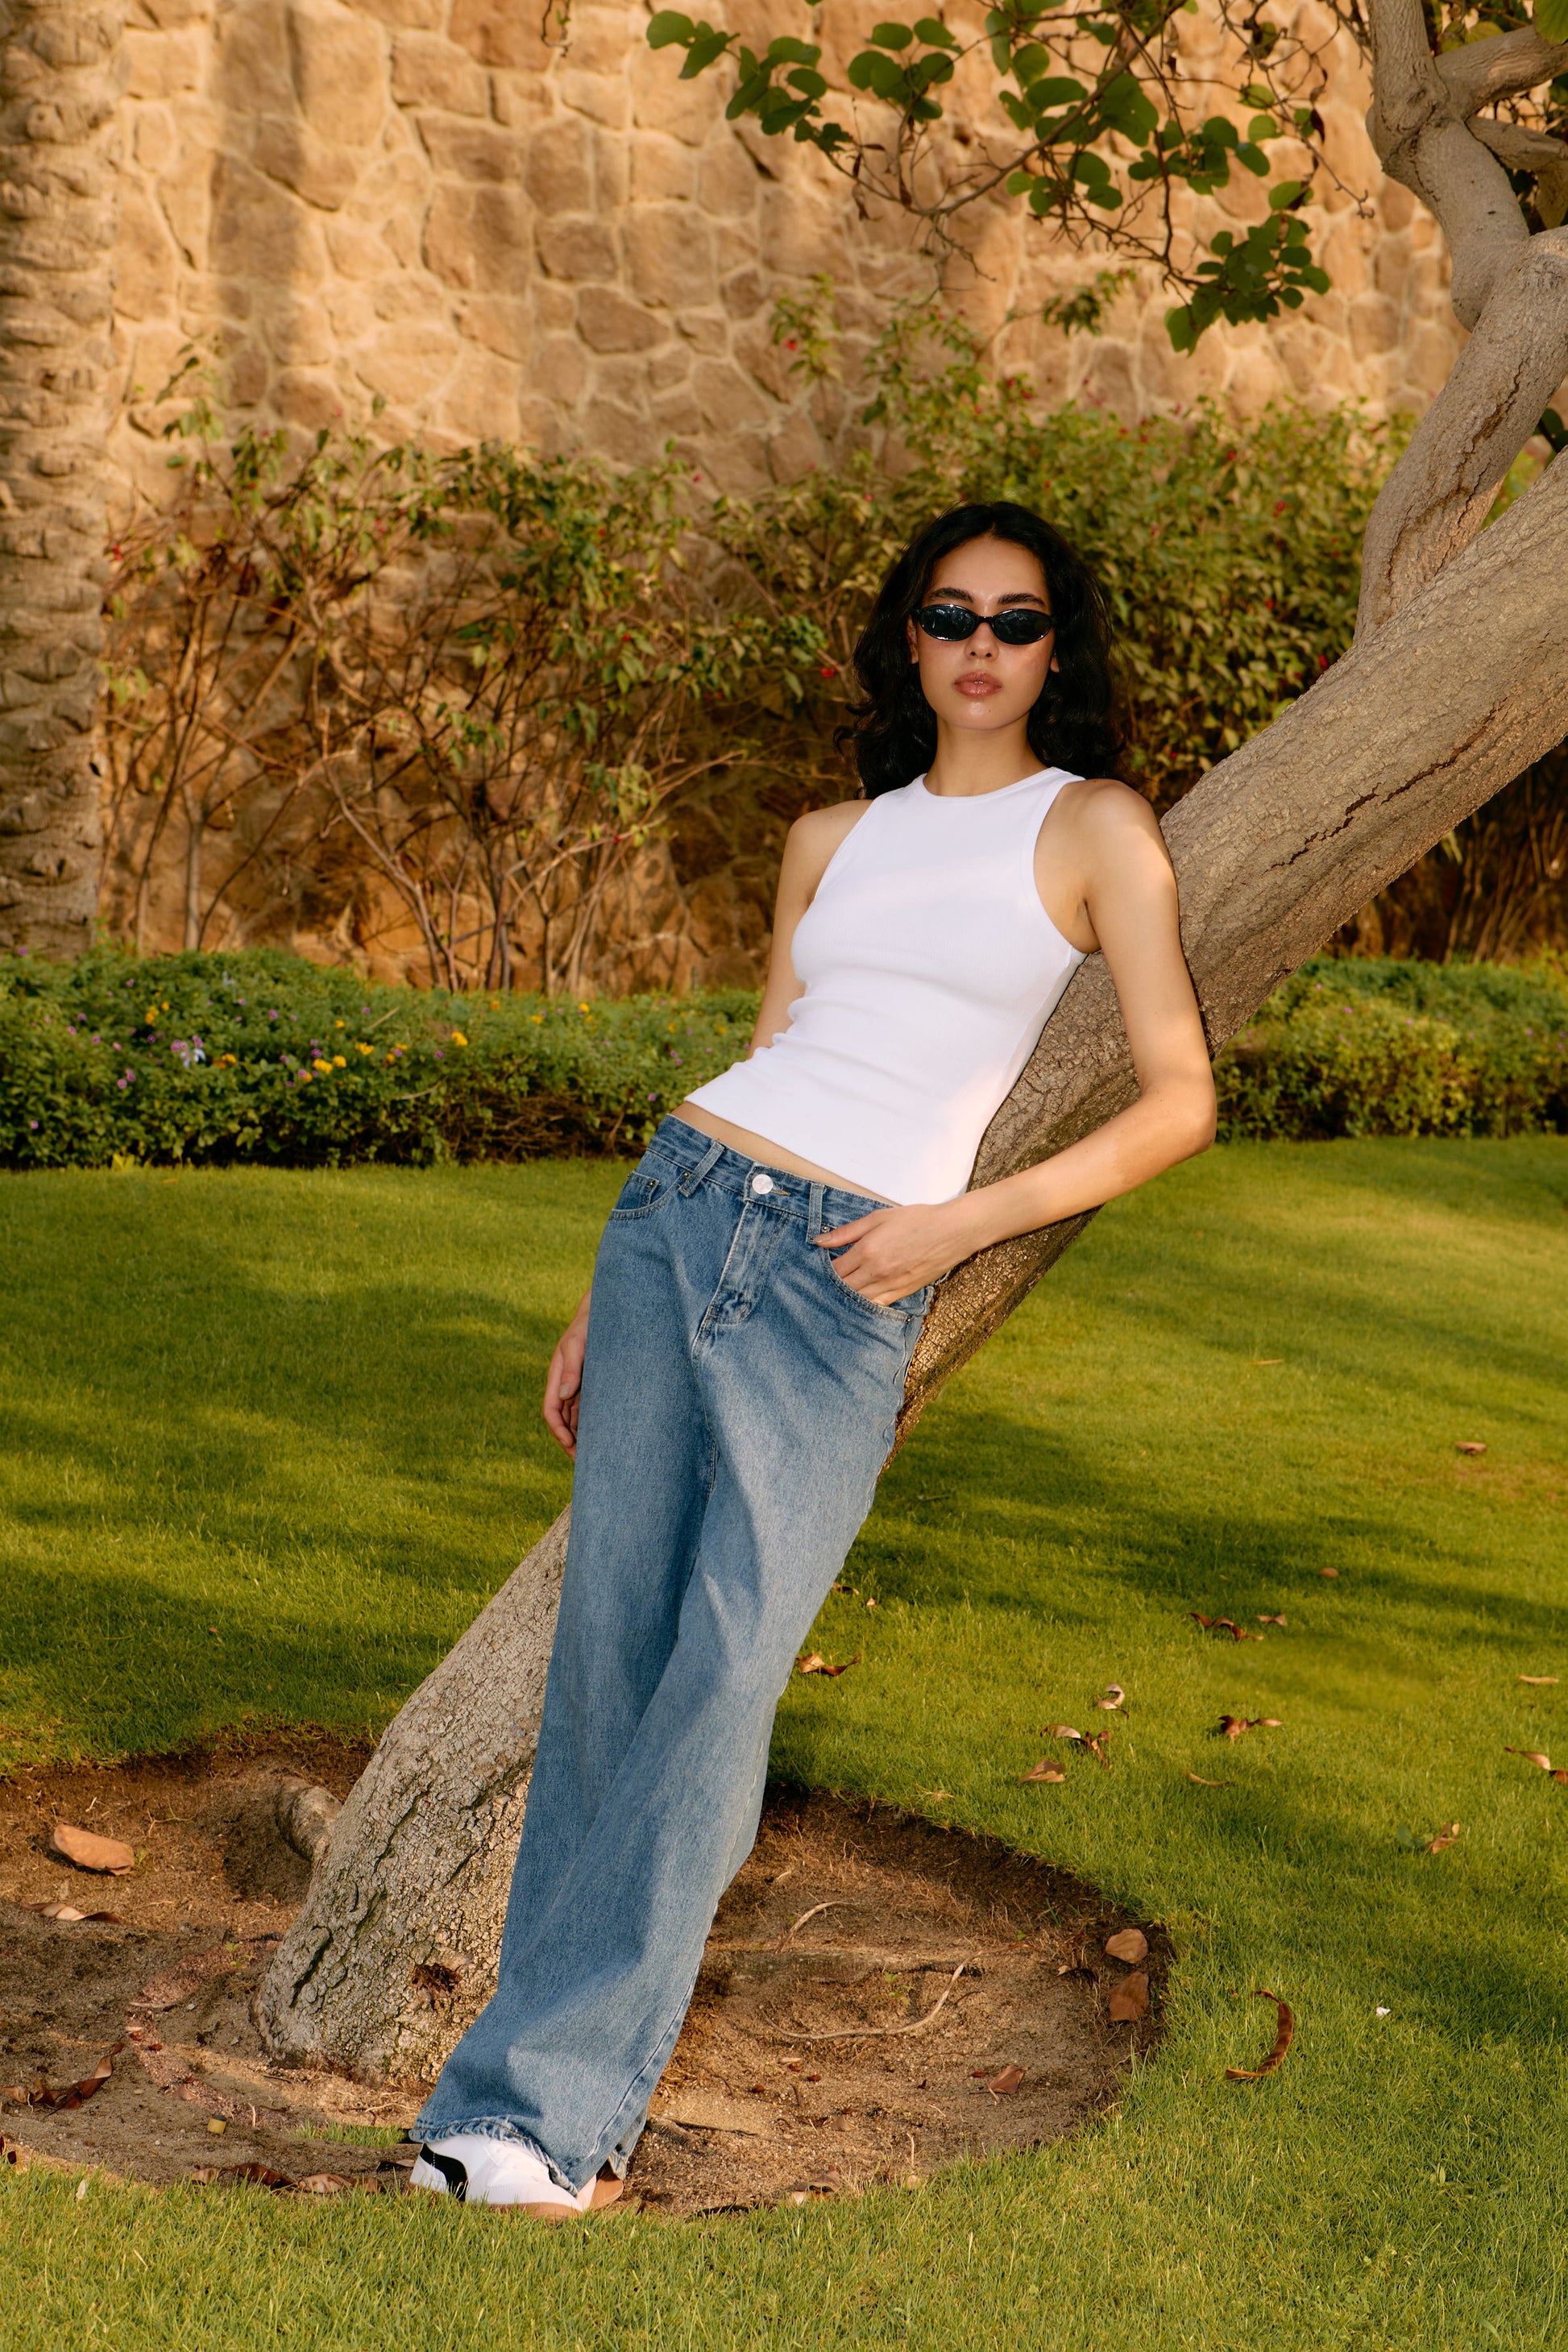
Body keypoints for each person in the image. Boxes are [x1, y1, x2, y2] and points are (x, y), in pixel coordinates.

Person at [410, 500, 1216, 2213]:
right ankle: (490, 2105)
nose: (981, 646)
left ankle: (547, 2119)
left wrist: (961, 1223)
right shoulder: (830, 833)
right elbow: (773, 1043)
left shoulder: (1096, 829)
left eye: (1016, 618)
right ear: (908, 643)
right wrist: (591, 1291)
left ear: (1055, 649)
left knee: (717, 1682)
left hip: (849, 1269)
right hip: (680, 1204)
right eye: (950, 615)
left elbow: (1180, 1100)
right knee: (609, 1663)